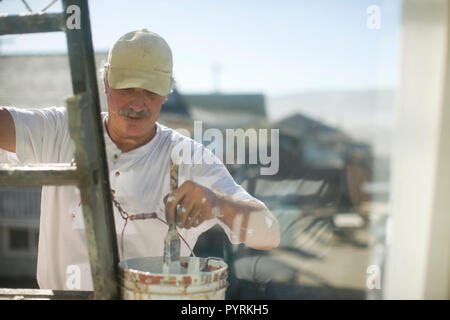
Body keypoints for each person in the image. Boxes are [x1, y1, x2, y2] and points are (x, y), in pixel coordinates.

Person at [0, 29, 280, 291]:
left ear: (166, 92)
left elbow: (269, 234)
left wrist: (219, 203)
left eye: (150, 92)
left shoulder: (189, 157)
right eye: (127, 89)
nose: (137, 104)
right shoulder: (61, 131)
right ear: (107, 83)